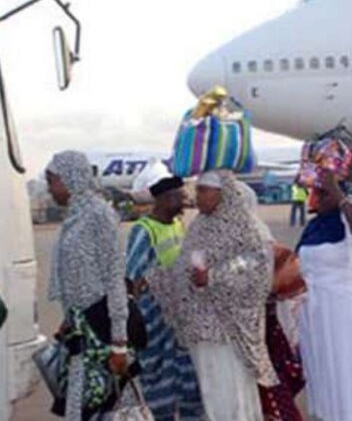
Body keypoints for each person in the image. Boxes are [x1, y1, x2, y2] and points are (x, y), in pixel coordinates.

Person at [148, 170, 280, 421]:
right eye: (197, 190)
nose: (196, 196)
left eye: (203, 190)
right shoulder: (199, 225)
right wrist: (156, 279)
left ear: (223, 193)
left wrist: (216, 276)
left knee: (231, 391)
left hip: (228, 329)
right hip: (200, 328)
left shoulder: (245, 226)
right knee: (212, 392)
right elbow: (181, 269)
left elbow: (259, 266)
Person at [46, 150, 129, 421]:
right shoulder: (74, 218)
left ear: (71, 178)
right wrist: (68, 317)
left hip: (101, 332)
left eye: (52, 180)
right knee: (83, 407)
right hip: (80, 330)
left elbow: (114, 278)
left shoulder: (99, 215)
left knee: (105, 406)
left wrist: (119, 344)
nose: (49, 189)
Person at [297, 169, 352, 421]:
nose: (317, 199)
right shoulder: (313, 227)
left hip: (347, 310)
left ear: (337, 194)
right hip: (317, 310)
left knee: (350, 365)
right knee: (326, 367)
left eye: (323, 194)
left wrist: (337, 192)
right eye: (316, 193)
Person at [125, 170, 204, 421]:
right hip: (155, 324)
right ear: (164, 199)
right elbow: (133, 280)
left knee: (188, 382)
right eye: (179, 197)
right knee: (157, 384)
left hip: (180, 321)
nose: (184, 202)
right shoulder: (144, 230)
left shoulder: (178, 225)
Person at [239, 182, 305, 421]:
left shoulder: (253, 234)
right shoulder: (254, 231)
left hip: (261, 330)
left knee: (269, 388)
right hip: (262, 327)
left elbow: (288, 278)